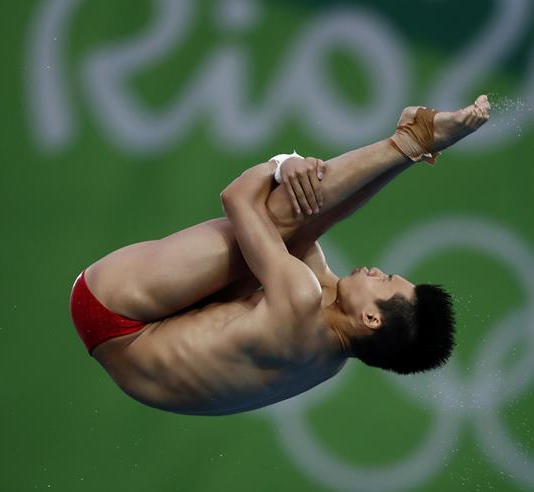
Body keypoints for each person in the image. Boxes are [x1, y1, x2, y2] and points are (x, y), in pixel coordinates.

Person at [70, 95, 491, 415]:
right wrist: (406, 157)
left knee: (282, 211)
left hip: (113, 307)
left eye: (384, 280)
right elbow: (313, 227)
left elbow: (236, 198)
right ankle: (412, 145)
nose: (378, 271)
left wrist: (282, 163)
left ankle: (410, 142)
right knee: (299, 224)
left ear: (371, 318)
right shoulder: (330, 357)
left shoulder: (300, 302)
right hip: (132, 357)